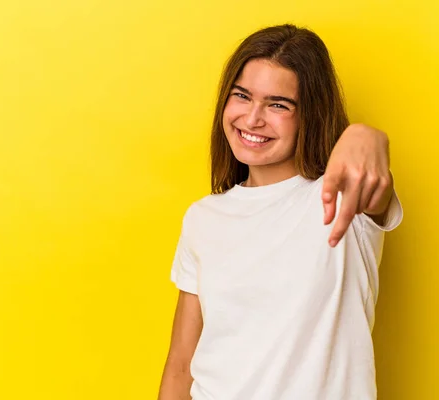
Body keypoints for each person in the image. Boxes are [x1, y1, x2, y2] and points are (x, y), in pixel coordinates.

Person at [158, 24, 403, 400]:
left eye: (278, 104)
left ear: (310, 114)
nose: (253, 118)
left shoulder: (341, 200)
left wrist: (365, 134)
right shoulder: (203, 218)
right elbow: (180, 366)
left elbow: (373, 171)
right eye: (242, 96)